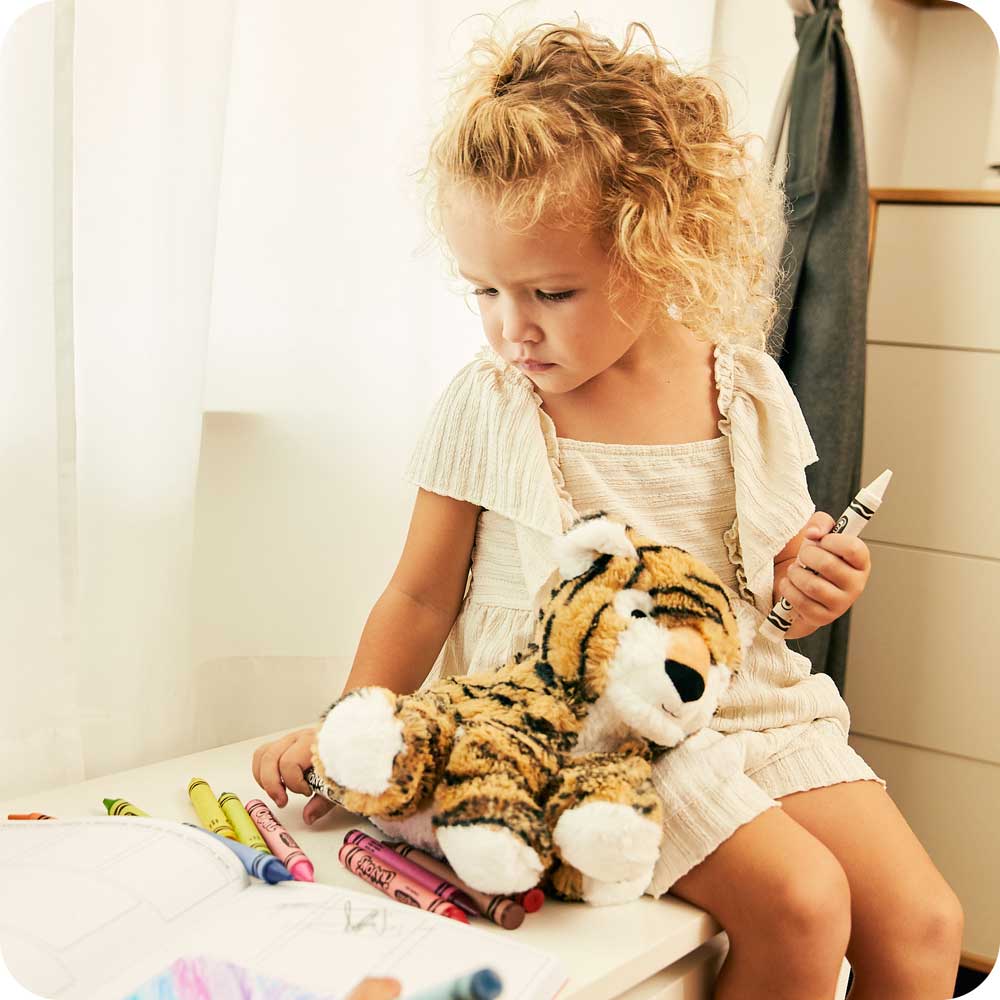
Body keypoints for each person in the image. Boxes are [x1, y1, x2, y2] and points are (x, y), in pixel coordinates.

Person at [252, 19, 963, 999]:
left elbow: (775, 600)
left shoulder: (746, 390)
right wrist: (350, 734)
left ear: (659, 249)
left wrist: (818, 584)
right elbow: (419, 597)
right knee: (802, 905)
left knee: (927, 924)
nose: (512, 328)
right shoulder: (492, 403)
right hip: (591, 726)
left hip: (748, 701)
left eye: (550, 292)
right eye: (485, 291)